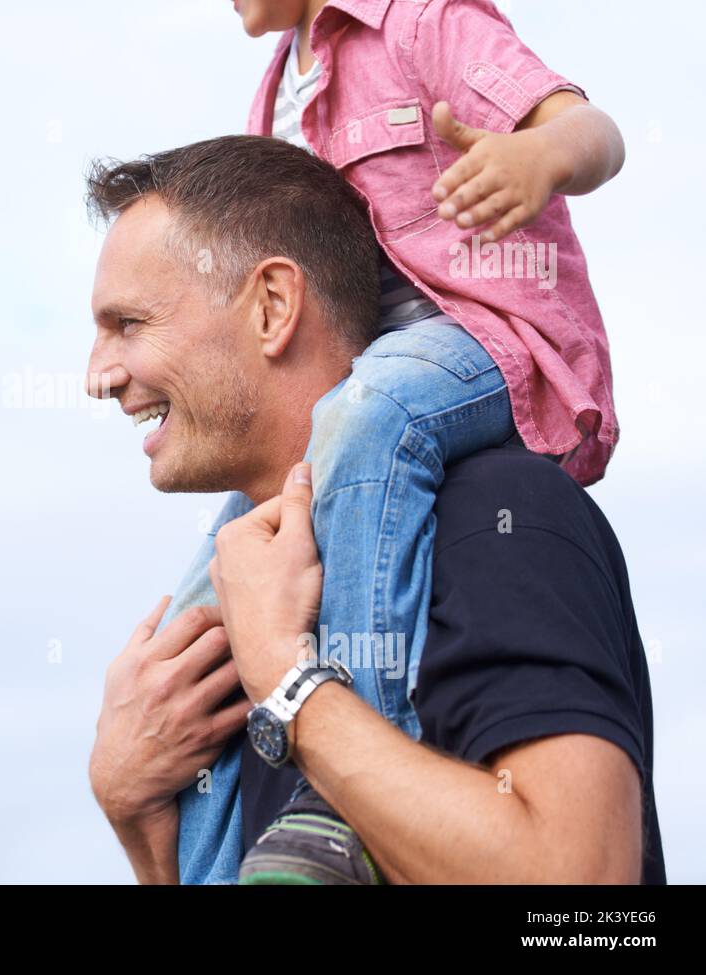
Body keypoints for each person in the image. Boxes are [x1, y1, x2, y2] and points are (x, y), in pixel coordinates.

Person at [133, 0, 628, 880]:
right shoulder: (278, 88)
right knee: (205, 607)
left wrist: (536, 157)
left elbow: (592, 130)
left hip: (485, 341)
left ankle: (341, 796)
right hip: (352, 384)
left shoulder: (428, 20)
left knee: (375, 413)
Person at [83, 134, 662, 884]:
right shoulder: (243, 612)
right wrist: (134, 812)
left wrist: (289, 684)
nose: (98, 376)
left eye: (128, 324)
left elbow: (582, 892)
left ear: (272, 306)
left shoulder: (495, 511)